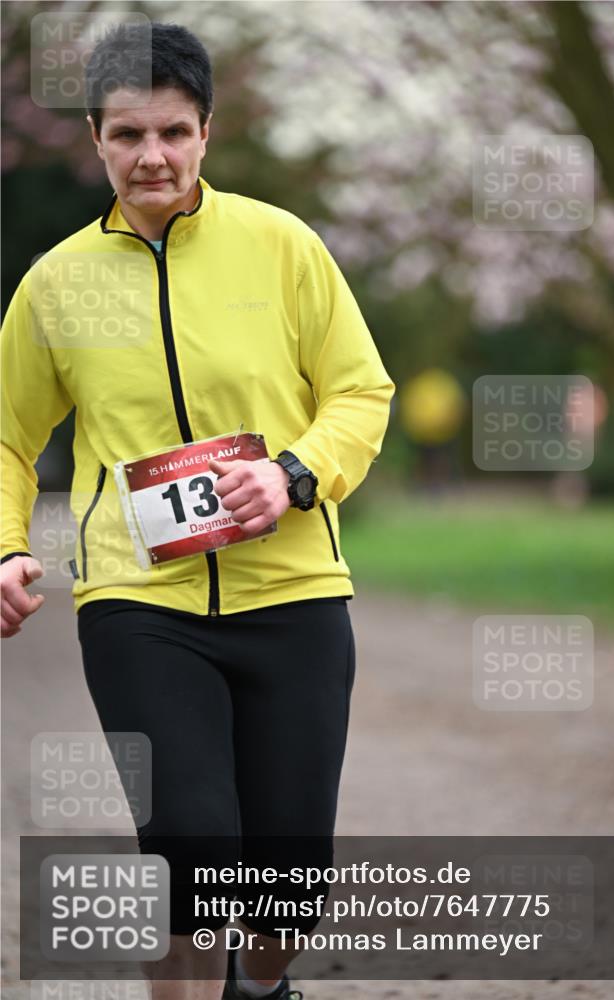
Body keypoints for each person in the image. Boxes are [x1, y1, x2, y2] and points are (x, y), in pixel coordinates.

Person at [0, 21, 394, 1000]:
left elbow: (361, 392)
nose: (152, 157)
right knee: (185, 845)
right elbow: (7, 438)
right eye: (128, 135)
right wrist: (5, 547)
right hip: (139, 604)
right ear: (95, 137)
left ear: (207, 132)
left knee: (288, 881)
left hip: (294, 592)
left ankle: (259, 986)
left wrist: (295, 473)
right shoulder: (56, 285)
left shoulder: (282, 247)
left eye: (173, 132)